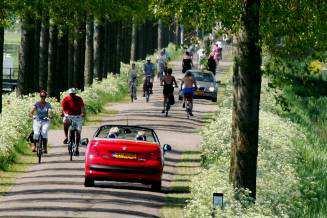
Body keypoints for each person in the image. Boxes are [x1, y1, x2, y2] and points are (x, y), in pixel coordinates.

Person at [61, 88, 85, 155]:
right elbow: (63, 108)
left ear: (75, 94)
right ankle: (66, 137)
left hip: (78, 116)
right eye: (71, 94)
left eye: (73, 94)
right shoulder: (65, 99)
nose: (72, 95)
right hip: (69, 116)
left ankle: (77, 147)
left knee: (78, 131)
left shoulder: (79, 99)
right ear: (69, 94)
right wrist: (63, 113)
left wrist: (83, 113)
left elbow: (82, 107)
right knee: (65, 122)